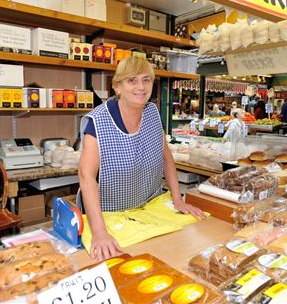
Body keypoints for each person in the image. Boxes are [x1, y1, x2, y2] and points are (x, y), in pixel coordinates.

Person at [78, 56, 205, 261]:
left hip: (150, 208)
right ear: (117, 87)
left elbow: (166, 159)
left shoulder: (153, 113)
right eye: (132, 80)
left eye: (146, 80)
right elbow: (86, 177)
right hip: (110, 216)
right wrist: (100, 233)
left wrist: (178, 199)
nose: (141, 87)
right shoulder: (98, 121)